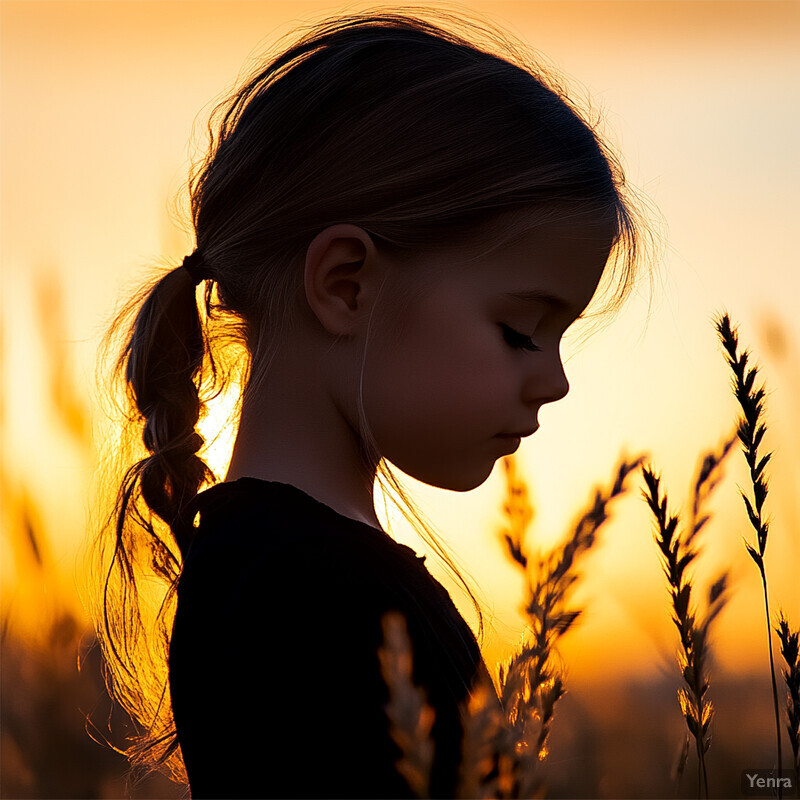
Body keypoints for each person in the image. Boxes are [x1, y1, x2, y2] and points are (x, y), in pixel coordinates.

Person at [88, 8, 651, 799]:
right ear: (346, 284)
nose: (555, 381)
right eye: (523, 331)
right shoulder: (335, 605)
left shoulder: (254, 571)